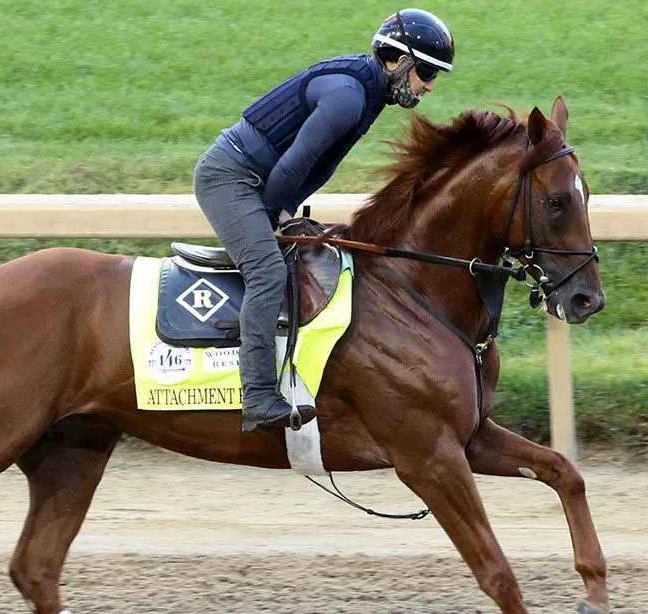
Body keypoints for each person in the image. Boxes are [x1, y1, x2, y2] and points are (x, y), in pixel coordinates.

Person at [194, 9, 455, 432]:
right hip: (230, 178)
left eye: (435, 75)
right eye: (426, 71)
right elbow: (295, 164)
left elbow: (312, 167)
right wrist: (275, 213)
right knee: (266, 272)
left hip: (255, 178)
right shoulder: (350, 98)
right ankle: (258, 397)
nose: (429, 84)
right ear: (399, 60)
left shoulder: (368, 92)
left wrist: (285, 212)